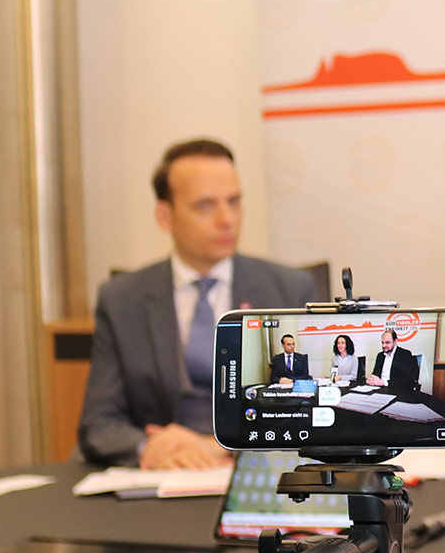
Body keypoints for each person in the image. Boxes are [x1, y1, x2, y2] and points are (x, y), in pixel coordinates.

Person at [78, 139, 316, 468]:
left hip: (254, 475)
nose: (227, 219)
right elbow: (99, 424)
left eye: (234, 202)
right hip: (164, 477)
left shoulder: (288, 290)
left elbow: (311, 413)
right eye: (205, 205)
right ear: (165, 216)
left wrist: (219, 446)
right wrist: (148, 448)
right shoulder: (122, 300)